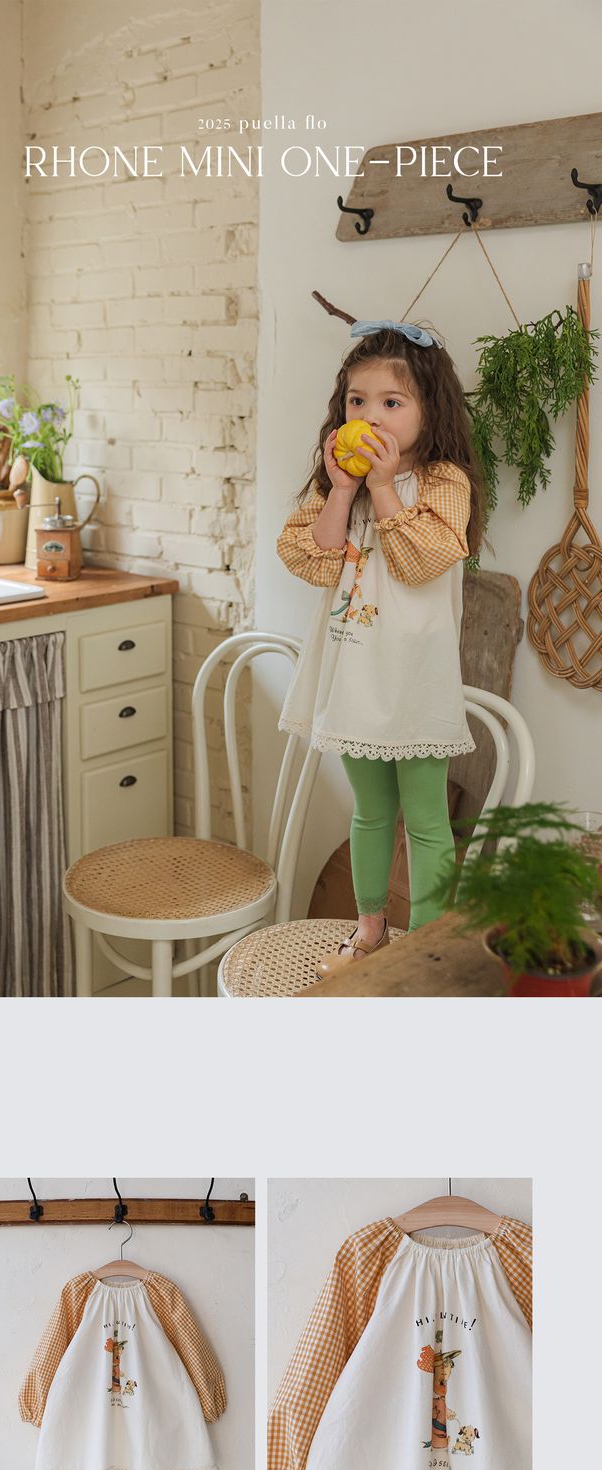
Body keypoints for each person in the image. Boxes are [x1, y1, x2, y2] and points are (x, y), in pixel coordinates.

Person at [276, 319, 486, 977]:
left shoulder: (444, 481)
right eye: (357, 401)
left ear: (430, 409)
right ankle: (370, 931)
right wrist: (344, 488)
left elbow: (424, 562)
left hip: (415, 676)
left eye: (391, 402)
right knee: (370, 811)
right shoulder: (339, 482)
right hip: (354, 670)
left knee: (425, 819)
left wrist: (385, 487)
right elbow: (312, 561)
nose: (370, 416)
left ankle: (424, 947)